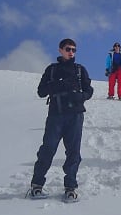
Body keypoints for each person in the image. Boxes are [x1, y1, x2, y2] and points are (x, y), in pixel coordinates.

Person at [28, 38, 94, 202]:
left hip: (75, 116)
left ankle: (70, 188)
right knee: (48, 149)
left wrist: (80, 97)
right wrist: (59, 85)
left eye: (73, 50)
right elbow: (41, 91)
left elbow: (89, 90)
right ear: (60, 50)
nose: (71, 52)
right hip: (56, 115)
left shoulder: (80, 70)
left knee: (74, 152)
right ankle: (37, 185)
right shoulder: (52, 70)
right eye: (68, 49)